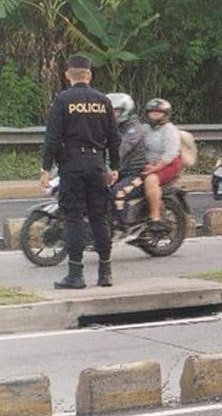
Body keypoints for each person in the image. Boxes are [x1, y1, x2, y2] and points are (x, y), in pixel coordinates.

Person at [40, 55, 121, 289]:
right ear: (89, 75)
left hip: (72, 164)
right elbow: (114, 138)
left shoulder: (63, 100)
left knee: (74, 217)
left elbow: (52, 137)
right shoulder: (103, 101)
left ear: (68, 74)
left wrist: (46, 168)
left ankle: (75, 274)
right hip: (97, 164)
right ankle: (105, 273)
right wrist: (114, 167)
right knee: (99, 217)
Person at [106, 93, 148, 232]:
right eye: (110, 111)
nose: (113, 114)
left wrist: (106, 162)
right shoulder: (113, 127)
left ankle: (123, 228)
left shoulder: (134, 129)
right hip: (121, 172)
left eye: (116, 111)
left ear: (126, 110)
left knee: (117, 193)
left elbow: (120, 150)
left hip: (136, 173)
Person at [140, 98, 183, 233]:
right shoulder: (145, 129)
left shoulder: (169, 130)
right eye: (152, 112)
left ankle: (155, 218)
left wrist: (155, 168)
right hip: (149, 164)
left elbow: (170, 154)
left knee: (151, 180)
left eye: (158, 113)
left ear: (165, 115)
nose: (154, 115)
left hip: (168, 164)